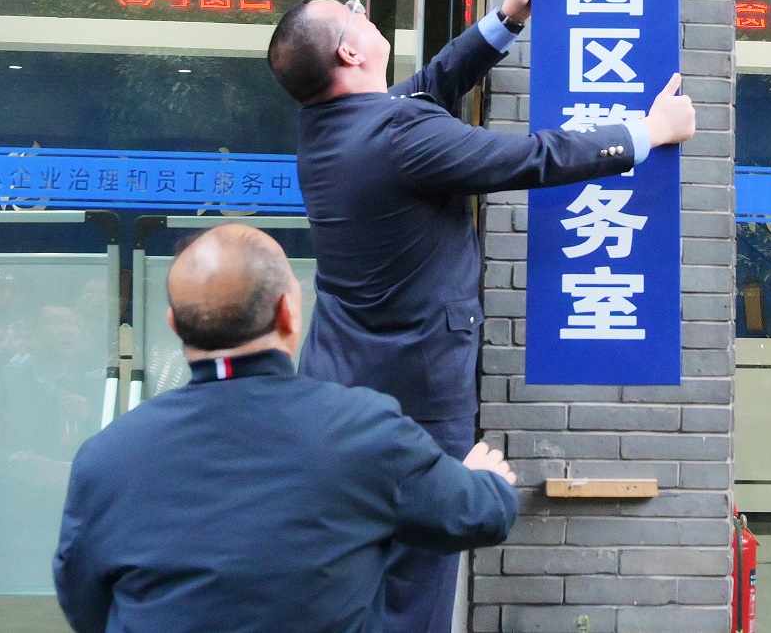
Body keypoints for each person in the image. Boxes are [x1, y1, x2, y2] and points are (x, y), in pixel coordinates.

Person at [266, 0, 696, 633]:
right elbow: (530, 158)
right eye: (353, 12)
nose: (364, 11)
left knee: (353, 561)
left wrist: (506, 19)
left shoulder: (328, 127)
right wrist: (646, 132)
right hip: (415, 394)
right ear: (348, 52)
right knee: (418, 574)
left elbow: (427, 87)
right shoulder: (395, 136)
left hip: (341, 378)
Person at [53, 224, 519, 633]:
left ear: (175, 324)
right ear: (288, 313)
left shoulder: (107, 455)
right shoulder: (365, 431)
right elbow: (478, 514)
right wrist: (487, 480)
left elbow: (85, 602)